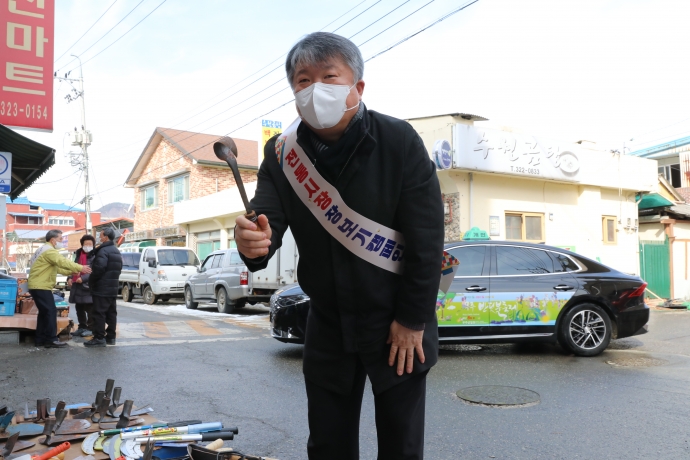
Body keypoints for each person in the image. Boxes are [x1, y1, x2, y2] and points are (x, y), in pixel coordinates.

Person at [235, 32, 444, 459]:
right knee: (328, 444)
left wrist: (412, 320)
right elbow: (264, 225)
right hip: (328, 322)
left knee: (401, 445)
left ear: (357, 87)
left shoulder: (398, 140)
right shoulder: (280, 155)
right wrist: (252, 243)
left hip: (397, 325)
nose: (314, 90)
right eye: (302, 81)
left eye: (329, 77)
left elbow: (427, 240)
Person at [27, 230, 92, 348]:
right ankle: (51, 339)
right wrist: (80, 267)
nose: (62, 242)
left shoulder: (43, 249)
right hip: (40, 286)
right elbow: (62, 262)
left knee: (44, 313)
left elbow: (58, 269)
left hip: (37, 285)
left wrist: (74, 271)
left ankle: (40, 339)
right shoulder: (49, 251)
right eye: (60, 239)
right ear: (53, 240)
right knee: (51, 311)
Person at [84, 227, 123, 347]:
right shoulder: (116, 250)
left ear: (106, 237)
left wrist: (92, 281)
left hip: (101, 287)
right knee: (111, 313)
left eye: (100, 236)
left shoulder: (103, 251)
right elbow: (119, 268)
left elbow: (99, 268)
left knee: (99, 313)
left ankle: (99, 337)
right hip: (112, 287)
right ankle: (111, 337)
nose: (99, 238)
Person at [68, 234, 97, 337]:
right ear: (82, 245)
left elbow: (94, 271)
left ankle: (91, 328)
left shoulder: (95, 255)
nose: (88, 246)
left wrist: (83, 278)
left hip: (88, 286)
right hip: (77, 286)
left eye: (90, 244)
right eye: (86, 244)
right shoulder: (78, 254)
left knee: (90, 309)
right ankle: (82, 327)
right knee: (79, 308)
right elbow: (74, 268)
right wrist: (70, 278)